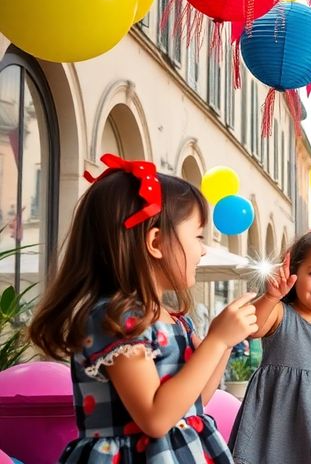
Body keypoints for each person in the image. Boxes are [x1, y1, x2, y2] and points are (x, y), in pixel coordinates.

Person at [28, 154, 255, 462]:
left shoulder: (175, 320)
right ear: (156, 242)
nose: (203, 249)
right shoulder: (115, 319)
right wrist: (216, 341)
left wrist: (223, 342)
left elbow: (197, 398)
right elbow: (156, 419)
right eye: (198, 235)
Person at [229, 209, 311, 463]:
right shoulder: (280, 312)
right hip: (271, 424)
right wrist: (270, 296)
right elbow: (253, 327)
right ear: (295, 271)